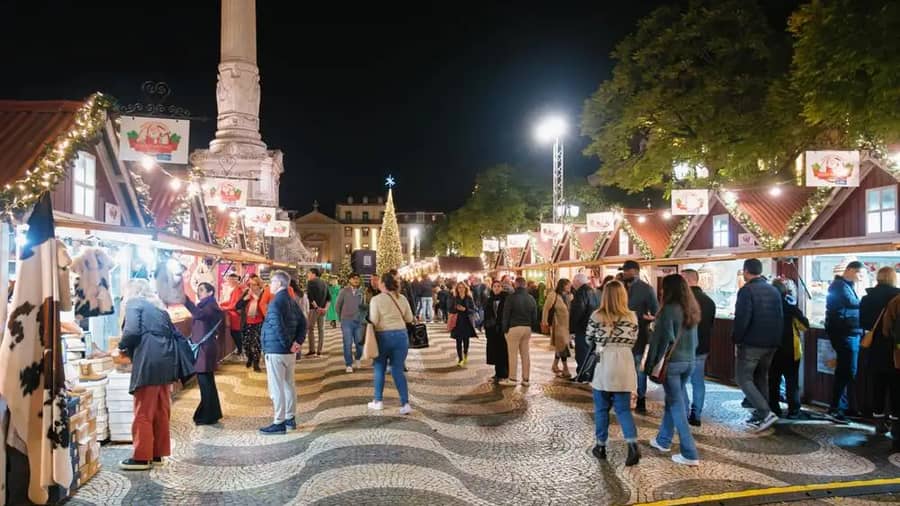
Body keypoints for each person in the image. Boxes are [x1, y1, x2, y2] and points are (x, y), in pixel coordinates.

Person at [117, 279, 180, 470]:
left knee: (143, 409)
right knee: (161, 408)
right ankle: (158, 453)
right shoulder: (159, 309)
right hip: (166, 360)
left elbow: (132, 331)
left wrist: (121, 348)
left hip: (148, 360)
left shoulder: (134, 303)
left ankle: (142, 457)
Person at [644, 274, 700, 466]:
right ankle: (663, 440)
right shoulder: (691, 309)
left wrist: (649, 366)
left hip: (673, 364)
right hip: (689, 361)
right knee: (672, 401)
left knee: (677, 404)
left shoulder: (668, 310)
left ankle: (690, 452)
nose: (660, 291)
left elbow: (660, 341)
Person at [586, 280, 640, 466]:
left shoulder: (597, 316)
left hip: (604, 362)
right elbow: (634, 340)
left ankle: (600, 446)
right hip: (625, 362)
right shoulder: (632, 317)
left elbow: (588, 339)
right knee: (623, 410)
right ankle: (633, 446)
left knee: (601, 409)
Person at [732, 258, 783, 432]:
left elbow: (742, 319)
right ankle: (762, 413)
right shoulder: (773, 290)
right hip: (771, 343)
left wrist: (737, 339)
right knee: (761, 377)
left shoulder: (747, 291)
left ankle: (765, 412)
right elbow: (779, 317)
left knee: (743, 378)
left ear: (746, 271)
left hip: (752, 343)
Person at [259, 270, 307, 434]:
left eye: (272, 282)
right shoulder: (291, 300)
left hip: (276, 350)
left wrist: (289, 344)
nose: (269, 285)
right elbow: (303, 322)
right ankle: (290, 418)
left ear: (279, 283)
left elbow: (277, 327)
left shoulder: (275, 303)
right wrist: (297, 343)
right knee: (288, 385)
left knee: (276, 387)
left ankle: (279, 421)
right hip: (288, 352)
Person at [367, 271, 415, 415]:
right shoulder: (402, 298)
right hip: (401, 336)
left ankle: (378, 401)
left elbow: (374, 320)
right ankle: (405, 403)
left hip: (383, 336)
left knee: (379, 368)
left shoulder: (376, 300)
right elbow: (409, 318)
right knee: (397, 369)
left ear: (382, 284)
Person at [859, 266, 900, 432]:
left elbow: (863, 323)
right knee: (896, 385)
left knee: (878, 385)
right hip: (894, 348)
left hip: (875, 346)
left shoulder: (867, 298)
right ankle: (896, 424)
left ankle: (879, 422)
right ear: (893, 278)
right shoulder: (898, 297)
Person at [825, 260, 864, 422]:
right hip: (845, 333)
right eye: (859, 273)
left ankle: (845, 407)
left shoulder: (845, 286)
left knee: (847, 370)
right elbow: (852, 303)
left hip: (849, 332)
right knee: (847, 370)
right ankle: (836, 408)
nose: (861, 277)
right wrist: (867, 301)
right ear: (849, 270)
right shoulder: (839, 286)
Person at [183, 282, 224, 425]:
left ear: (210, 292)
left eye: (202, 290)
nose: (199, 292)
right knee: (207, 382)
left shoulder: (210, 307)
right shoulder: (207, 305)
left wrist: (185, 300)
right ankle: (211, 413)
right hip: (205, 348)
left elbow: (199, 315)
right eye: (198, 290)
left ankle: (208, 415)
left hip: (205, 350)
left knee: (205, 383)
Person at [769, 278, 810, 419]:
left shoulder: (767, 309)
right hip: (791, 350)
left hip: (772, 350)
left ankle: (774, 408)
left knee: (773, 380)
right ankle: (794, 409)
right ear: (785, 293)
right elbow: (804, 326)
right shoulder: (792, 309)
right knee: (792, 381)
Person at [621, 260, 659, 414]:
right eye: (624, 271)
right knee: (623, 367)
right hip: (621, 336)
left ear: (635, 271)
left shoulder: (646, 289)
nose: (624, 273)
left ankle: (640, 398)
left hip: (637, 335)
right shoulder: (619, 287)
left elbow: (655, 312)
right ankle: (624, 397)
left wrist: (645, 318)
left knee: (637, 367)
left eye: (627, 270)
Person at [682, 269, 716, 427]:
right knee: (698, 382)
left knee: (679, 382)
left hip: (683, 349)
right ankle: (696, 414)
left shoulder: (682, 301)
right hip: (702, 348)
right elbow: (710, 325)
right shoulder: (709, 301)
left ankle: (683, 410)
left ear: (688, 280)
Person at [500, 277, 539, 387]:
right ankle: (526, 379)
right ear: (525, 285)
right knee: (525, 354)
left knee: (513, 354)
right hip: (527, 328)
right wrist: (531, 326)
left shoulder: (511, 298)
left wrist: (505, 330)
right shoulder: (531, 298)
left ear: (516, 285)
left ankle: (512, 378)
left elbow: (506, 315)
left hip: (514, 327)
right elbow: (535, 316)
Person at [570, 273, 600, 381]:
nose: (572, 284)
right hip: (592, 327)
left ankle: (582, 375)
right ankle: (589, 374)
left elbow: (578, 311)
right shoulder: (593, 291)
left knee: (581, 352)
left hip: (582, 327)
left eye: (573, 282)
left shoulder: (581, 293)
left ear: (578, 282)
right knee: (589, 352)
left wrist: (572, 328)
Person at [542, 278, 572, 379]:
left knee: (561, 345)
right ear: (563, 285)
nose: (570, 287)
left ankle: (555, 365)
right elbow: (546, 308)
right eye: (568, 285)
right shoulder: (553, 295)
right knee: (563, 345)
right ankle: (566, 368)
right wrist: (544, 321)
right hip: (558, 325)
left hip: (567, 326)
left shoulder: (569, 296)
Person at [335, 272, 365, 373]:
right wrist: (341, 318)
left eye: (357, 278)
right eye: (354, 278)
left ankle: (358, 357)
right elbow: (337, 306)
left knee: (359, 344)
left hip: (359, 322)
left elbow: (364, 307)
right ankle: (348, 364)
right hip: (346, 321)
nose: (356, 280)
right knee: (347, 343)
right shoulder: (344, 291)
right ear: (350, 280)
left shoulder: (362, 292)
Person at [484, 281, 509, 382]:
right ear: (492, 288)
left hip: (503, 329)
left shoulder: (506, 299)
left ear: (502, 288)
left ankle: (505, 373)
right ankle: (497, 373)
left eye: (499, 286)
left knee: (503, 351)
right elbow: (487, 314)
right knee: (495, 352)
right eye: (495, 286)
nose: (497, 288)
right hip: (492, 330)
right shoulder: (489, 300)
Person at [450, 282, 478, 366]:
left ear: (465, 289)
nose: (461, 289)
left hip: (466, 321)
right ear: (457, 289)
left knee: (466, 340)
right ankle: (460, 359)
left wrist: (465, 309)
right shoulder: (455, 298)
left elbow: (473, 310)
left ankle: (465, 354)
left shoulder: (469, 298)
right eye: (459, 288)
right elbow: (450, 309)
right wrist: (455, 309)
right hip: (457, 322)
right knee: (458, 341)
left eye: (462, 287)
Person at [219, 273, 247, 358]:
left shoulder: (238, 289)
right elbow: (231, 302)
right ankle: (240, 349)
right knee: (235, 333)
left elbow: (235, 305)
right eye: (228, 280)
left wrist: (224, 308)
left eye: (230, 280)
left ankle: (240, 350)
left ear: (234, 280)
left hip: (236, 315)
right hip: (234, 314)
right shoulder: (236, 289)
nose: (228, 282)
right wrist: (222, 304)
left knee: (236, 333)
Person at [305, 268, 331, 358]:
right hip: (323, 310)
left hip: (314, 310)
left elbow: (310, 297)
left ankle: (312, 350)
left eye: (309, 273)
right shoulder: (324, 283)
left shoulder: (310, 283)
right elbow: (329, 298)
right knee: (321, 330)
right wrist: (325, 308)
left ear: (313, 274)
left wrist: (316, 307)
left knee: (310, 329)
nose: (308, 275)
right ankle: (320, 350)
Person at [241, 274, 265, 372]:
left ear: (259, 285)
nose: (252, 287)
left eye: (254, 285)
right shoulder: (247, 292)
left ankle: (256, 363)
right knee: (246, 343)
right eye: (250, 285)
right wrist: (245, 299)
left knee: (256, 343)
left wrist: (256, 298)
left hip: (258, 322)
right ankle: (249, 357)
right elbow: (237, 305)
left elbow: (265, 307)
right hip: (247, 322)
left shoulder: (263, 294)